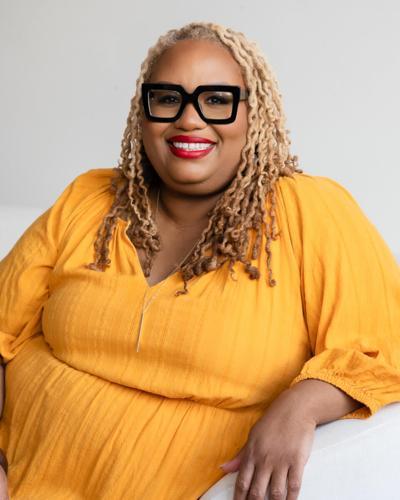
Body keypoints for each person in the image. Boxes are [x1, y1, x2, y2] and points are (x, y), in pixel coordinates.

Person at [0, 20, 399, 500]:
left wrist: (302, 406)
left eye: (216, 100)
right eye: (168, 98)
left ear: (254, 113)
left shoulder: (309, 211)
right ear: (142, 113)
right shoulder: (87, 200)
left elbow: (382, 346)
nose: (189, 120)